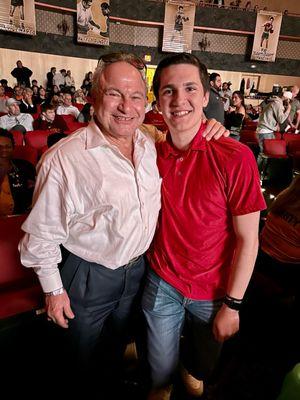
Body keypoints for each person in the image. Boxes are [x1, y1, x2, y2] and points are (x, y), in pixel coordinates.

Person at [18, 52, 228, 395]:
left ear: (146, 103)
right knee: (76, 358)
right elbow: (39, 237)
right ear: (93, 96)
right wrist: (54, 291)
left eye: (135, 96)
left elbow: (188, 140)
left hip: (138, 272)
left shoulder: (149, 143)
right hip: (87, 275)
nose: (125, 107)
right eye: (114, 93)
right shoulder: (64, 160)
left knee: (115, 352)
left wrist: (212, 126)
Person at [141, 53, 266, 400]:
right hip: (162, 279)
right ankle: (162, 382)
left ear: (207, 96)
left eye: (190, 88)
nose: (180, 100)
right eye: (168, 91)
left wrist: (233, 304)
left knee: (203, 365)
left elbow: (248, 240)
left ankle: (190, 370)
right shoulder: (150, 152)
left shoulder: (234, 156)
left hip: (214, 289)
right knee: (159, 368)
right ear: (158, 101)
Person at [0, 129, 35, 216]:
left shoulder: (26, 167)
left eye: (8, 147)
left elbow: (35, 195)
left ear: (13, 147)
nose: (4, 150)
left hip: (20, 218)